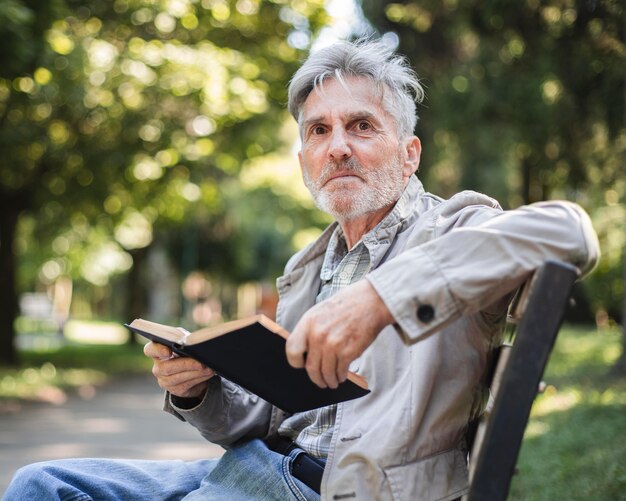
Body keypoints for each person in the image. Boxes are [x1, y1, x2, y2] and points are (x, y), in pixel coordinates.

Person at [5, 39, 599, 501]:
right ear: (304, 161)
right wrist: (200, 391)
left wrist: (379, 299)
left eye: (361, 125)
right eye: (320, 131)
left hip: (330, 487)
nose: (338, 146)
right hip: (253, 469)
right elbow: (263, 419)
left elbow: (568, 230)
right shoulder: (310, 265)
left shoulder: (453, 229)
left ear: (410, 152)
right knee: (41, 484)